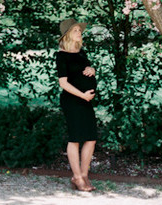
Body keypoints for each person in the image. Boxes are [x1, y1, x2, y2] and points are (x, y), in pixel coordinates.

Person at [56, 17, 97, 192]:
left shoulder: (81, 53)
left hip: (86, 101)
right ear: (67, 35)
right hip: (73, 101)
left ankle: (84, 174)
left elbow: (85, 72)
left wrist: (92, 70)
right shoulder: (61, 56)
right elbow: (63, 83)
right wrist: (82, 96)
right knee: (75, 138)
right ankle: (77, 177)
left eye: (80, 30)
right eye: (75, 30)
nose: (79, 32)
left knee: (91, 138)